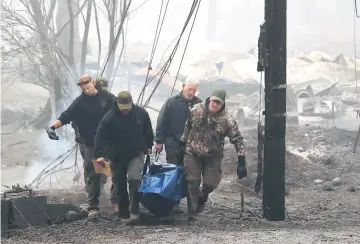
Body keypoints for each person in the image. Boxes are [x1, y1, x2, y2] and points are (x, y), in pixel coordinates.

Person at [45, 74, 116, 217]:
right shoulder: (80, 102)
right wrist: (52, 127)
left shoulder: (108, 98)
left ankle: (116, 202)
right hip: (91, 143)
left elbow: (122, 112)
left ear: (93, 82)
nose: (85, 86)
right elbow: (66, 116)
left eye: (87, 83)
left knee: (116, 170)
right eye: (82, 84)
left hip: (110, 141)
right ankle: (93, 206)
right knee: (92, 173)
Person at [179, 88, 248, 221]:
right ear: (209, 99)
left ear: (222, 104)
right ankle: (192, 213)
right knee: (192, 181)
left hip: (213, 155)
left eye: (218, 103)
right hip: (193, 152)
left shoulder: (228, 119)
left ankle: (203, 196)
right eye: (213, 101)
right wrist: (182, 144)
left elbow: (238, 140)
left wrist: (241, 162)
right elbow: (187, 127)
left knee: (211, 183)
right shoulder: (196, 110)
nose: (214, 104)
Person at [94, 90, 154, 225]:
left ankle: (134, 210)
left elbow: (148, 131)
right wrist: (100, 155)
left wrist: (148, 146)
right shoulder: (109, 118)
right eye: (123, 108)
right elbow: (100, 136)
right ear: (117, 104)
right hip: (117, 156)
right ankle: (123, 213)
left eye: (128, 108)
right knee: (119, 185)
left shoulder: (141, 113)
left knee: (134, 179)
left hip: (136, 153)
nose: (125, 111)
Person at [71, 76, 110, 193]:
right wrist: (80, 136)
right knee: (89, 164)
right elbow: (75, 122)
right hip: (86, 140)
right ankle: (90, 188)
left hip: (103, 140)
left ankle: (100, 186)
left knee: (103, 163)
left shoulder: (108, 101)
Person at [154, 79, 202, 164]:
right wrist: (159, 141)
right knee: (173, 165)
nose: (192, 93)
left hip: (190, 142)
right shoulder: (172, 102)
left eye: (194, 90)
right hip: (172, 139)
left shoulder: (199, 104)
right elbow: (162, 121)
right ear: (183, 86)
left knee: (187, 167)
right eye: (190, 89)